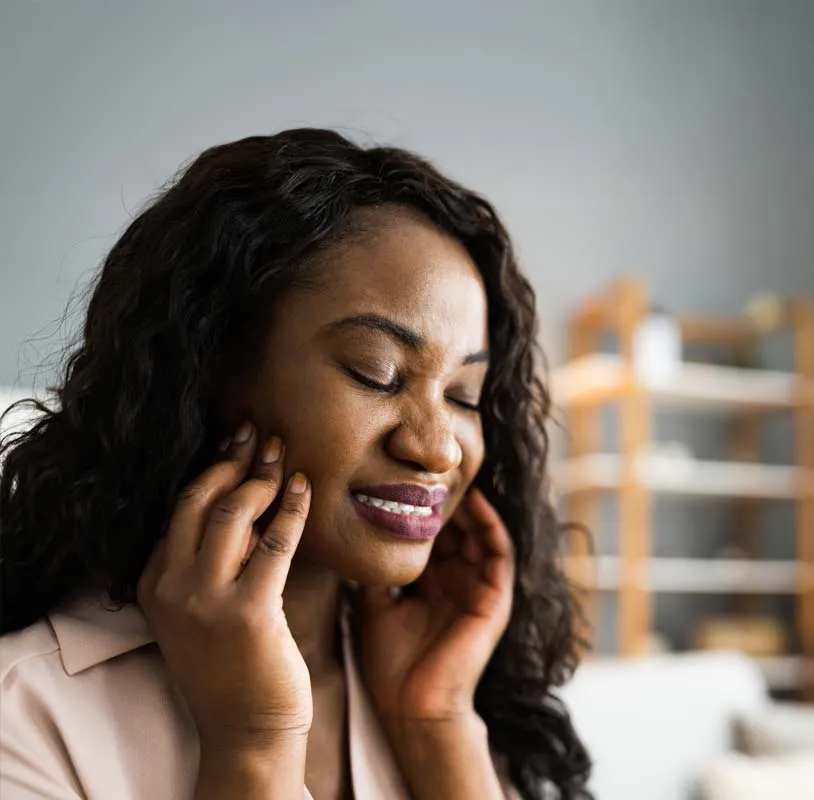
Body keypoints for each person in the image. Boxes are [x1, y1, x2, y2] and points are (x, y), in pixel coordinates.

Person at [0, 129, 592, 799]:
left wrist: (438, 724)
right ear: (207, 374)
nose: (438, 448)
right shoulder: (25, 715)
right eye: (377, 373)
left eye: (464, 396)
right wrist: (253, 746)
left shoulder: (438, 688)